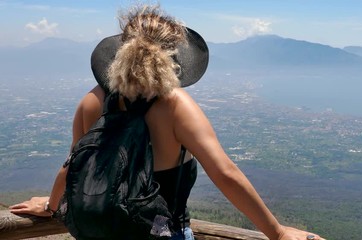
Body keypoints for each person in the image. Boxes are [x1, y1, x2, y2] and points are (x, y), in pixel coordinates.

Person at [10, 4, 325, 240]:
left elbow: (72, 166)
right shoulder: (175, 106)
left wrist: (52, 207)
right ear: (172, 58)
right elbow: (225, 173)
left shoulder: (93, 101)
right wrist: (277, 232)